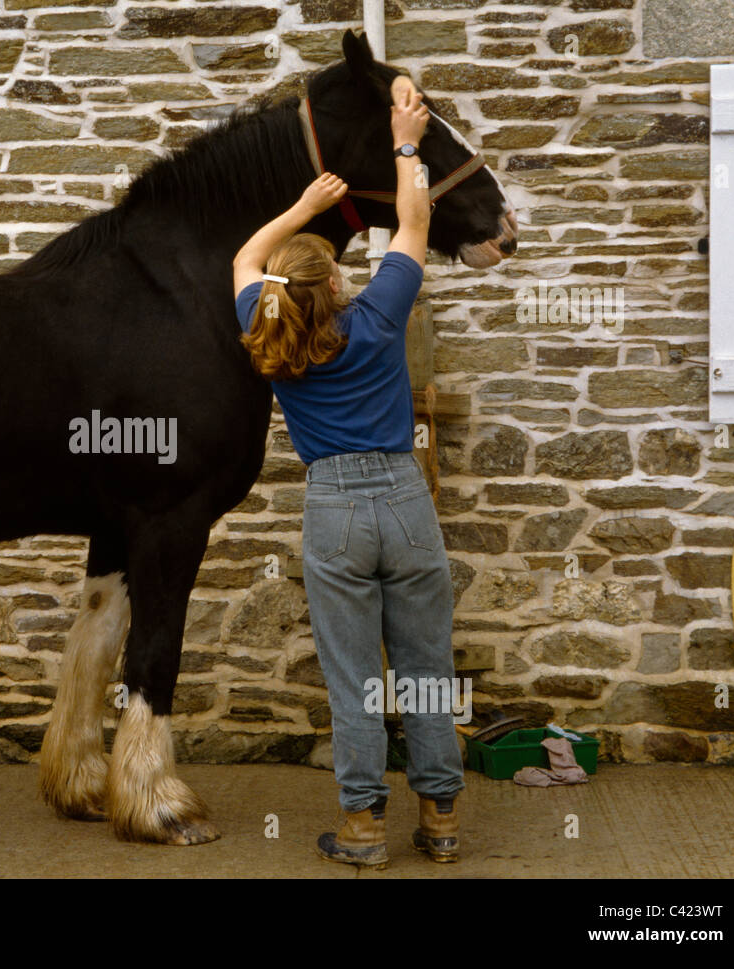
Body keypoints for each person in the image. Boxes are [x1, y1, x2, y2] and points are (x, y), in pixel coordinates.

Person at [231, 78, 464, 869]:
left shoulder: (268, 335)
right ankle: (439, 820)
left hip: (331, 505)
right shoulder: (378, 314)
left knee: (355, 674)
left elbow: (245, 257)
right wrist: (405, 140)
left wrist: (301, 206)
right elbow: (415, 218)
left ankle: (364, 829)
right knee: (427, 666)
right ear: (335, 283)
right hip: (403, 496)